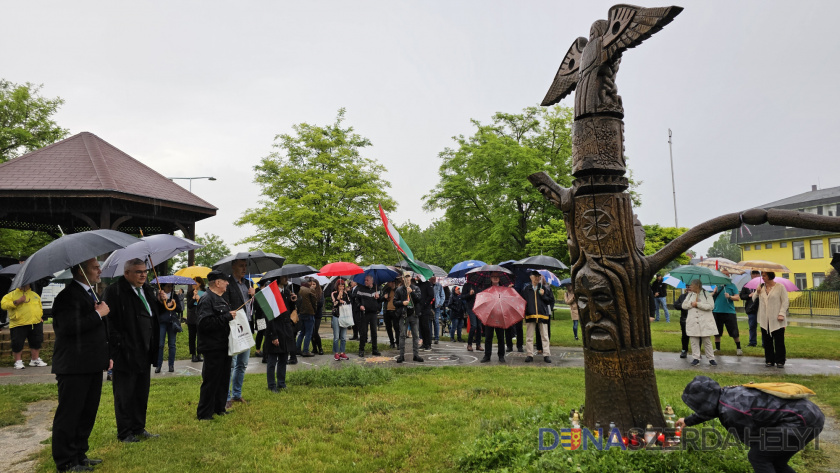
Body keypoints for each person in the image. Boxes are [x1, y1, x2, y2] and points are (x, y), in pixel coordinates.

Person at [676, 375, 824, 473]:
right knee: (777, 461)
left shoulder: (731, 413)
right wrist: (688, 421)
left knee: (759, 457)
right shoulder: (725, 394)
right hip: (810, 414)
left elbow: (752, 438)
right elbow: (711, 409)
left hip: (801, 421)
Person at [50, 258, 110, 472]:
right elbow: (67, 328)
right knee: (70, 413)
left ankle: (79, 454)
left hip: (91, 363)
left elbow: (94, 331)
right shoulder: (67, 296)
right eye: (95, 268)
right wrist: (97, 314)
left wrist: (106, 356)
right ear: (80, 272)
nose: (99, 270)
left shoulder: (89, 294)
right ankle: (65, 460)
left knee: (87, 412)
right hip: (73, 366)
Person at [102, 259, 165, 443]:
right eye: (138, 272)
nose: (143, 275)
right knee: (125, 394)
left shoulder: (148, 290)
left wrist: (161, 302)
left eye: (145, 271)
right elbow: (109, 321)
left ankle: (138, 427)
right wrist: (118, 343)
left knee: (141, 392)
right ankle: (125, 432)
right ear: (127, 273)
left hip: (145, 350)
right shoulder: (115, 291)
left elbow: (152, 315)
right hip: (126, 351)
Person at [196, 270, 235, 420]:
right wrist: (227, 317)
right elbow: (204, 324)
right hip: (212, 347)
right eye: (225, 281)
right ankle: (204, 413)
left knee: (223, 378)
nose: (227, 283)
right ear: (217, 283)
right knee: (211, 380)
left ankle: (219, 408)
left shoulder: (221, 299)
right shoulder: (207, 299)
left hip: (224, 345)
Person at [223, 259, 255, 409]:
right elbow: (225, 304)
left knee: (243, 363)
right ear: (233, 267)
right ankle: (227, 396)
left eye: (245, 265)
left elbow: (251, 307)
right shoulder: (228, 283)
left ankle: (237, 394)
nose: (244, 268)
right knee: (232, 363)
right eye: (241, 265)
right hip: (234, 327)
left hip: (247, 326)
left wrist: (253, 296)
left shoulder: (249, 284)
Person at [1, 283, 47, 369]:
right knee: (17, 343)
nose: (25, 285)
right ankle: (18, 361)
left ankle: (35, 360)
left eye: (26, 283)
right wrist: (17, 302)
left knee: (36, 341)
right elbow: (3, 305)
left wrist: (40, 316)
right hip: (18, 323)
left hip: (35, 322)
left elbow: (40, 307)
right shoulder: (11, 294)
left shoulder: (35, 294)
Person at [262, 276, 296, 392]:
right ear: (277, 279)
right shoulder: (269, 292)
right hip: (275, 328)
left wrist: (292, 302)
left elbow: (288, 311)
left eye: (287, 276)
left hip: (286, 329)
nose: (286, 278)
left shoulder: (286, 292)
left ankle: (281, 383)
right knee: (272, 360)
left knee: (283, 358)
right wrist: (273, 335)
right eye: (284, 277)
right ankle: (272, 385)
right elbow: (268, 316)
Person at [752, 271, 790, 368]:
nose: (762, 277)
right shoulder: (761, 287)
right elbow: (753, 299)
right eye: (762, 275)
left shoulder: (780, 287)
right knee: (767, 341)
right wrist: (757, 292)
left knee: (779, 341)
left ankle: (780, 361)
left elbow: (785, 301)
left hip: (777, 319)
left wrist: (781, 314)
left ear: (770, 276)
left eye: (764, 275)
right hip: (764, 319)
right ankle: (769, 360)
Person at [681, 279, 718, 366]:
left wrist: (698, 304)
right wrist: (691, 304)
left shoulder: (707, 294)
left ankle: (711, 358)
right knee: (694, 340)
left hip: (704, 321)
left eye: (692, 285)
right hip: (693, 321)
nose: (690, 287)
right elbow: (684, 305)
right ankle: (696, 358)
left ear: (697, 286)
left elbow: (711, 306)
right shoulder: (690, 295)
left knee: (706, 340)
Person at [522, 270, 553, 363]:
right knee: (529, 336)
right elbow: (523, 302)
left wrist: (543, 295)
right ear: (531, 277)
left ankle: (546, 354)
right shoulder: (526, 289)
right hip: (530, 314)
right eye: (535, 276)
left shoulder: (544, 288)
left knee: (545, 336)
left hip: (542, 314)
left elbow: (550, 301)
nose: (537, 278)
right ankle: (529, 354)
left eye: (538, 276)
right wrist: (525, 312)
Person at [712, 269, 743, 355]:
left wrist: (730, 297)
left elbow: (737, 298)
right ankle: (717, 348)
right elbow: (710, 297)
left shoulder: (732, 286)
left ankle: (738, 348)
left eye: (727, 274)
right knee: (717, 331)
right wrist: (714, 292)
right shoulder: (717, 286)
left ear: (729, 276)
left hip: (729, 312)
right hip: (717, 311)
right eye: (723, 274)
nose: (725, 275)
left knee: (734, 331)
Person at [395, 273, 423, 363]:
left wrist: (412, 293)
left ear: (411, 277)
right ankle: (401, 355)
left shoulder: (416, 288)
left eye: (408, 276)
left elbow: (419, 299)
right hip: (403, 315)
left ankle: (416, 355)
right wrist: (402, 303)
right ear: (403, 278)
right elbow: (395, 302)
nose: (407, 278)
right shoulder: (399, 290)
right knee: (402, 335)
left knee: (415, 335)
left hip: (414, 315)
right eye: (405, 277)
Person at [155, 282, 182, 373]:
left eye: (171, 286)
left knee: (172, 344)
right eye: (168, 286)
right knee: (160, 345)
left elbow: (180, 309)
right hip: (162, 322)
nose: (170, 288)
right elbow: (157, 310)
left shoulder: (174, 296)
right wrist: (166, 304)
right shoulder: (159, 296)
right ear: (163, 287)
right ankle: (158, 365)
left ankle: (171, 365)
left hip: (172, 323)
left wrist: (174, 304)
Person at [480, 275, 507, 363]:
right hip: (489, 315)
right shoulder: (486, 287)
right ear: (491, 278)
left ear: (499, 278)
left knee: (500, 337)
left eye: (497, 276)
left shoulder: (503, 289)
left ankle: (501, 356)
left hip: (499, 315)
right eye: (494, 276)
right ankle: (487, 355)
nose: (495, 278)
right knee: (488, 337)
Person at [355, 275, 382, 357]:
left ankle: (375, 349)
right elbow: (356, 299)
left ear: (371, 281)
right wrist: (360, 305)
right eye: (365, 280)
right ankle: (361, 350)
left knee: (374, 332)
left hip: (373, 313)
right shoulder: (361, 289)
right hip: (365, 313)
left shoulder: (377, 289)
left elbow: (382, 300)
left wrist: (379, 297)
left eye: (367, 280)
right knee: (363, 332)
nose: (365, 281)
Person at [296, 278, 318, 358]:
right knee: (309, 333)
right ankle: (305, 350)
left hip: (301, 313)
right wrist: (314, 310)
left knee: (302, 332)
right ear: (309, 282)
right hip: (309, 313)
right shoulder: (310, 290)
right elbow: (314, 301)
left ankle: (297, 348)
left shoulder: (299, 290)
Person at [740, 270, 762, 347]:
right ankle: (752, 342)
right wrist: (749, 295)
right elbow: (741, 296)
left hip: (762, 308)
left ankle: (765, 343)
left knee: (764, 326)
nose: (755, 275)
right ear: (751, 275)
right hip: (751, 308)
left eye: (757, 274)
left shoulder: (763, 285)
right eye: (754, 274)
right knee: (752, 326)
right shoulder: (747, 285)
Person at [330, 278, 351, 360]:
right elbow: (334, 303)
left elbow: (349, 303)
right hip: (336, 315)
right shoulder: (334, 293)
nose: (341, 287)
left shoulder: (346, 294)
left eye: (343, 285)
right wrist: (339, 298)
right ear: (337, 286)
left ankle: (342, 352)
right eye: (340, 285)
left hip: (344, 316)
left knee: (343, 336)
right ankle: (336, 353)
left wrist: (345, 296)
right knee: (336, 336)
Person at [186, 277, 205, 362]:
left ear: (200, 283)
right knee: (192, 337)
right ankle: (193, 354)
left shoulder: (205, 292)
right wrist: (194, 297)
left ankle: (199, 354)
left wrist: (199, 298)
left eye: (195, 282)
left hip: (201, 317)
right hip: (192, 318)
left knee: (200, 337)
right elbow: (189, 306)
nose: (193, 284)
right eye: (192, 282)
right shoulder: (190, 293)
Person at [462, 280, 483, 352]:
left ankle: (478, 344)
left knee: (479, 326)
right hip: (470, 307)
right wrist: (469, 294)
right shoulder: (467, 285)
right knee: (474, 325)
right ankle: (469, 344)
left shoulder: (479, 285)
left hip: (479, 307)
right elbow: (462, 296)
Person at [416, 276, 435, 350]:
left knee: (425, 326)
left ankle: (428, 343)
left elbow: (431, 295)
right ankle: (424, 342)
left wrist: (425, 304)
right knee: (421, 326)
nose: (417, 277)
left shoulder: (428, 284)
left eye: (418, 275)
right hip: (419, 308)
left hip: (425, 308)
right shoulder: (418, 285)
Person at [380, 279, 399, 348]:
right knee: (388, 327)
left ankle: (398, 342)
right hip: (387, 311)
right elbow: (380, 299)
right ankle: (392, 342)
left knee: (396, 327)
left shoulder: (398, 290)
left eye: (391, 282)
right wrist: (384, 297)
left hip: (395, 311)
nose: (390, 283)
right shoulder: (386, 290)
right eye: (389, 282)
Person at [673, 288, 690, 358]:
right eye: (687, 286)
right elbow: (676, 305)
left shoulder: (697, 296)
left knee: (697, 336)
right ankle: (684, 350)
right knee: (685, 336)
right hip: (684, 319)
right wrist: (683, 305)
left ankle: (697, 353)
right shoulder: (682, 296)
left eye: (690, 286)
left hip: (695, 319)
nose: (688, 288)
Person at [310, 278, 325, 355]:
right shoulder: (309, 292)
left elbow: (320, 304)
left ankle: (320, 348)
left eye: (314, 284)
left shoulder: (320, 293)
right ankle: (314, 348)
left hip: (317, 315)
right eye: (311, 284)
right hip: (311, 314)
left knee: (315, 331)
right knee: (311, 332)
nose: (312, 286)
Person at [432, 276, 445, 344]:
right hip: (429, 306)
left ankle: (436, 337)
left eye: (435, 278)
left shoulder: (439, 285)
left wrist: (440, 303)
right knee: (429, 321)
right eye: (432, 278)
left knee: (436, 321)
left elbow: (442, 295)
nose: (434, 279)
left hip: (436, 306)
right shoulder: (428, 285)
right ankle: (430, 336)